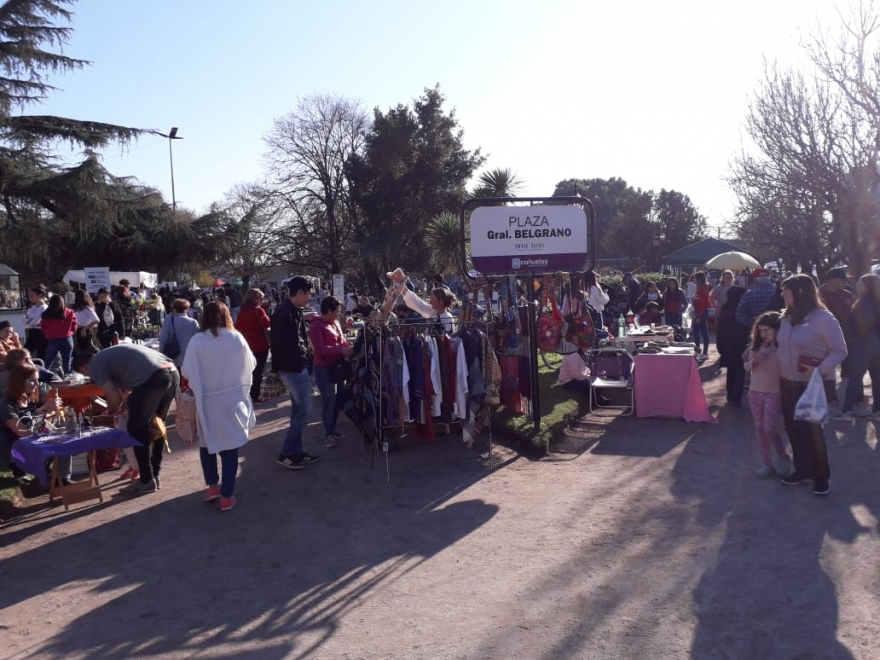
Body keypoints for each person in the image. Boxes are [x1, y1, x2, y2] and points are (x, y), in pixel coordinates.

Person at [72, 344, 180, 494]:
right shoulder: (109, 355)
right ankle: (154, 474)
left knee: (136, 428)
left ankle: (146, 479)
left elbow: (113, 398)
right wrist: (125, 404)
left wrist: (110, 412)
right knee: (157, 426)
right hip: (172, 372)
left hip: (153, 378)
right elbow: (127, 389)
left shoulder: (95, 366)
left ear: (84, 369)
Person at [776, 274, 847, 496]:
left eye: (787, 291)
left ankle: (821, 476)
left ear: (801, 293)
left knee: (812, 431)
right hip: (787, 382)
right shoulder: (787, 317)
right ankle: (803, 470)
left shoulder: (823, 318)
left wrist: (820, 369)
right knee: (794, 429)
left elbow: (840, 350)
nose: (783, 295)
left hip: (812, 384)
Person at [182, 301, 255, 512]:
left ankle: (213, 487)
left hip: (206, 403)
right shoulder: (236, 338)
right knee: (230, 450)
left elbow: (186, 371)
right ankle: (226, 495)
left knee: (207, 446)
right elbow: (251, 365)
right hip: (232, 401)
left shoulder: (197, 341)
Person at [269, 276, 321, 470]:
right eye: (307, 294)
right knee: (305, 410)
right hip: (292, 368)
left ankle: (296, 452)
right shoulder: (284, 313)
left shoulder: (293, 310)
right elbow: (280, 344)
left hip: (297, 366)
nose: (308, 298)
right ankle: (286, 452)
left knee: (298, 410)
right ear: (299, 293)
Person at [743, 312, 793, 478]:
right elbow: (747, 367)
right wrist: (755, 360)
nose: (764, 334)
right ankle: (767, 464)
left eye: (768, 330)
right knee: (759, 429)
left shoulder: (783, 348)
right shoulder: (755, 347)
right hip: (755, 393)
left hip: (774, 393)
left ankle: (783, 457)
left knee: (769, 428)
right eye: (761, 330)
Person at [1, 364, 63, 480]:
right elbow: (23, 432)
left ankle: (60, 476)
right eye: (32, 381)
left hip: (35, 441)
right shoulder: (7, 404)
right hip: (16, 451)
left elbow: (45, 422)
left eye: (37, 380)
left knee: (64, 440)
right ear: (19, 381)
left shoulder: (33, 395)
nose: (37, 384)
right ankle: (25, 471)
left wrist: (51, 410)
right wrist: (42, 410)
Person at [309, 296, 353, 448]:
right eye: (336, 311)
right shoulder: (316, 326)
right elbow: (320, 349)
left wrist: (347, 348)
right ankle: (327, 433)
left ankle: (332, 429)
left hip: (338, 366)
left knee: (337, 401)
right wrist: (341, 350)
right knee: (329, 401)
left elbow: (342, 340)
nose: (338, 314)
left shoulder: (334, 323)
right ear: (329, 310)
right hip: (324, 368)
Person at [834, 274, 880, 421]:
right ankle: (877, 411)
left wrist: (853, 339)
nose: (857, 286)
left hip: (864, 343)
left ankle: (846, 410)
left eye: (860, 284)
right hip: (876, 343)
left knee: (855, 378)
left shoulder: (864, 303)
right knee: (877, 378)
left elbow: (862, 326)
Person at [819, 267, 860, 415]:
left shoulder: (848, 294)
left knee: (854, 369)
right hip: (826, 338)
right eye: (843, 279)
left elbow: (855, 315)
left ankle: (857, 401)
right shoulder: (819, 296)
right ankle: (832, 401)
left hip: (848, 337)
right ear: (832, 280)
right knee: (828, 370)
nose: (845, 282)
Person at [388, 268, 456, 334]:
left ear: (441, 301)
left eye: (432, 299)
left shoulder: (447, 318)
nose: (430, 302)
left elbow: (446, 338)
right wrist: (400, 283)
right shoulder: (431, 311)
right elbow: (416, 301)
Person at [234, 289, 272, 405]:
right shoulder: (259, 311)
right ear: (255, 298)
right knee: (258, 371)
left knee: (248, 370)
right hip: (260, 345)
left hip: (247, 345)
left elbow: (237, 327)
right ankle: (255, 396)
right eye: (261, 298)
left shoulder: (242, 311)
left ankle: (248, 393)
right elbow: (267, 324)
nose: (262, 300)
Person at [715, 286, 748, 405]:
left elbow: (720, 328)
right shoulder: (743, 309)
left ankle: (730, 394)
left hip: (727, 343)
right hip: (740, 344)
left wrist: (720, 345)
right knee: (739, 371)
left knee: (731, 370)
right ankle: (736, 396)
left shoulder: (725, 308)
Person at [158, 298, 200, 370]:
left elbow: (163, 338)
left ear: (175, 308)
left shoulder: (168, 319)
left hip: (172, 357)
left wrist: (161, 353)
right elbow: (197, 340)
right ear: (187, 309)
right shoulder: (193, 322)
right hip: (188, 358)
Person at [40, 295, 77, 374]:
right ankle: (67, 380)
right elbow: (74, 324)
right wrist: (71, 332)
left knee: (48, 363)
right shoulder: (69, 312)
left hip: (52, 339)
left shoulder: (46, 314)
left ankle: (44, 381)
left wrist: (47, 335)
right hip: (67, 339)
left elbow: (43, 328)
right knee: (67, 363)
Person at [690, 271, 712, 362]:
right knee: (700, 332)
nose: (693, 279)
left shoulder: (701, 289)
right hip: (701, 310)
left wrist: (699, 316)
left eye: (695, 278)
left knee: (700, 332)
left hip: (700, 311)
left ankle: (702, 352)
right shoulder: (705, 287)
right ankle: (701, 351)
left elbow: (702, 303)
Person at [71, 289, 100, 354]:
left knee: (87, 350)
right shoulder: (78, 308)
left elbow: (96, 320)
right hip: (77, 331)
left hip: (85, 331)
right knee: (81, 351)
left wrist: (85, 328)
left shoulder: (87, 308)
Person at [23, 286, 47, 359]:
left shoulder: (43, 308)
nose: (30, 298)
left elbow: (34, 322)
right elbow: (24, 320)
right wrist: (29, 320)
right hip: (33, 331)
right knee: (26, 350)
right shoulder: (33, 307)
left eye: (32, 295)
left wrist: (30, 320)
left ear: (40, 295)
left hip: (40, 333)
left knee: (41, 353)